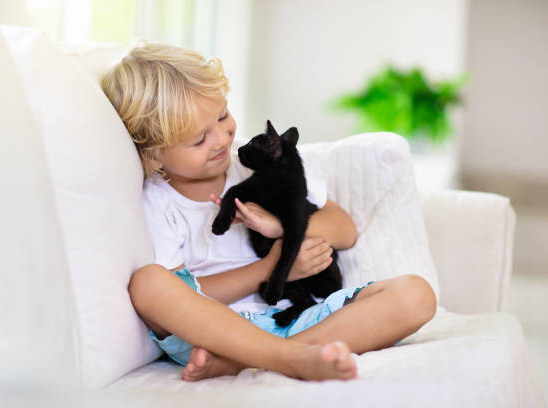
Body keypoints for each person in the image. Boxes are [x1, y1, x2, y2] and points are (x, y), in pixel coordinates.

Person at [100, 41, 437, 382]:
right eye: (199, 139)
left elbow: (343, 227)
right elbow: (183, 293)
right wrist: (271, 268)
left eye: (222, 116)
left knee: (416, 295)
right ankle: (287, 357)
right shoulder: (158, 201)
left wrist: (281, 228)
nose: (221, 139)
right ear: (155, 156)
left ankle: (250, 360)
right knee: (148, 284)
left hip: (299, 317)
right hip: (214, 334)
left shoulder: (257, 164)